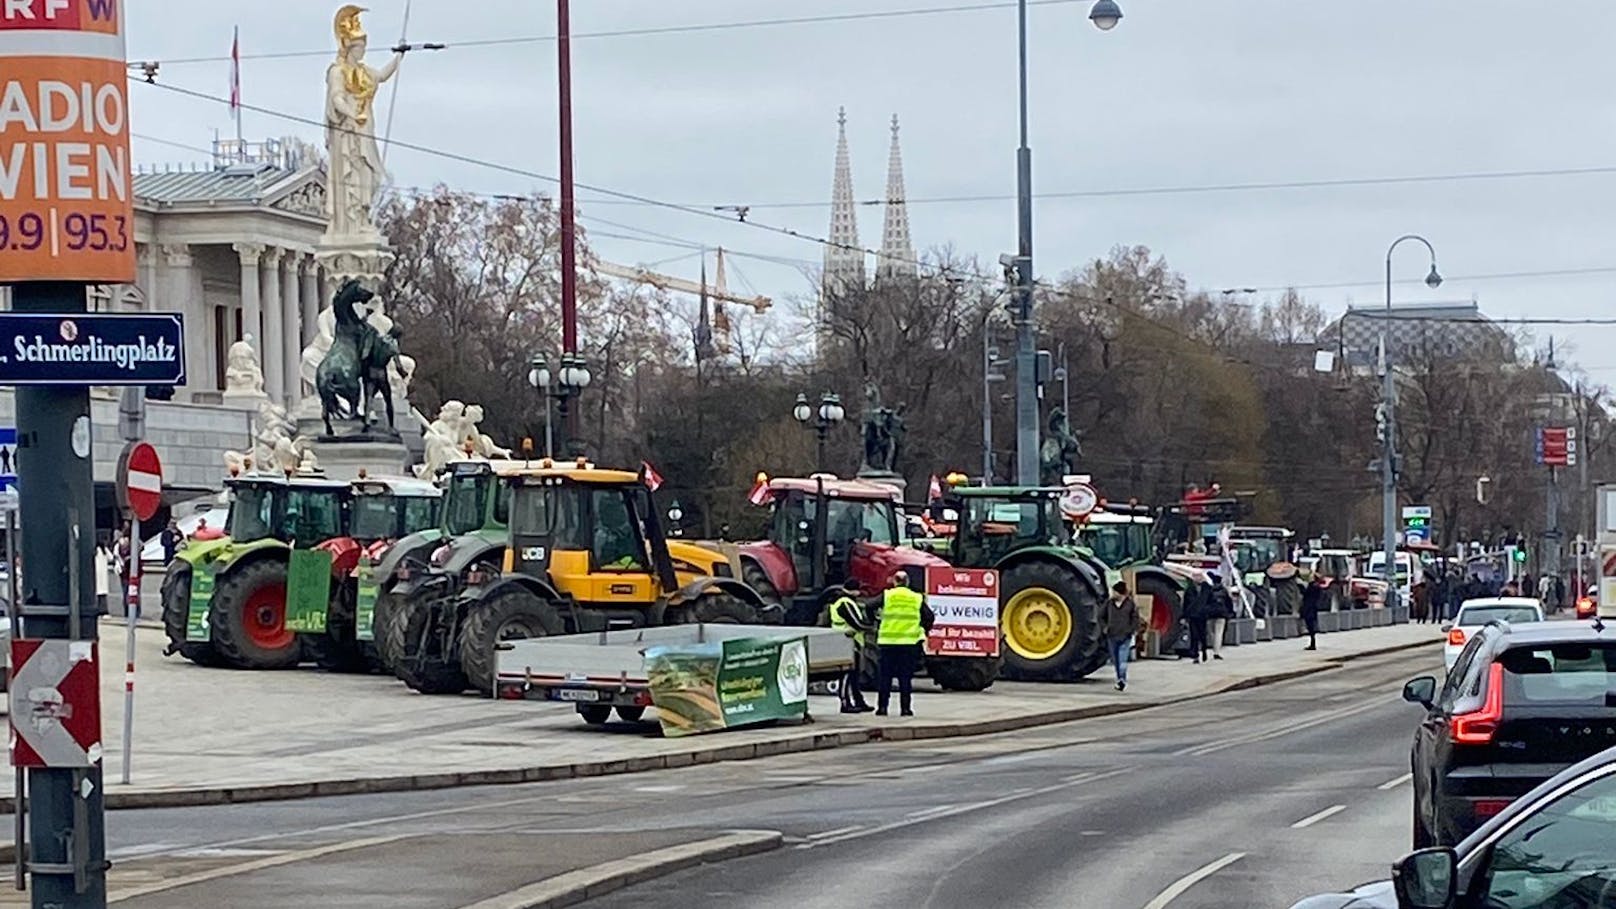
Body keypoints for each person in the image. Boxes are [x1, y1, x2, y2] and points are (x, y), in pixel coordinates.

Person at [874, 571, 932, 717]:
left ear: (894, 582)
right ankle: (905, 709)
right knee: (905, 678)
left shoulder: (887, 595)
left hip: (887, 643)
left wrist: (876, 622)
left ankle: (882, 708)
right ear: (907, 582)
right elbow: (930, 617)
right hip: (909, 644)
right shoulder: (916, 598)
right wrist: (922, 628)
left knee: (885, 677)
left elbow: (869, 606)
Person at [827, 578, 875, 714]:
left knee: (854, 674)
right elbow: (856, 623)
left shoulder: (848, 602)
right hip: (846, 642)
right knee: (847, 674)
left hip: (853, 642)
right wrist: (871, 628)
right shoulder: (844, 603)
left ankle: (859, 701)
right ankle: (845, 702)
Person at [1105, 582, 1145, 690]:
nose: (1112, 593)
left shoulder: (1130, 604)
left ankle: (1122, 679)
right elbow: (1101, 615)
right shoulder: (1109, 603)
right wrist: (1105, 628)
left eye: (1114, 591)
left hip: (1125, 636)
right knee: (1115, 660)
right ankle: (1119, 678)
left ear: (1120, 592)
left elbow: (1135, 619)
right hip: (1112, 635)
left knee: (1122, 660)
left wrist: (1131, 631)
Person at [1183, 576, 1211, 664]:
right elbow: (1185, 603)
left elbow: (1211, 601)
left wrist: (1207, 610)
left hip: (1202, 616)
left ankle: (1204, 650)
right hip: (1193, 615)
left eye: (1199, 577)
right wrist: (1184, 616)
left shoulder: (1207, 589)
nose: (1197, 579)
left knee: (1202, 635)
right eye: (1196, 577)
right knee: (1194, 636)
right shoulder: (1189, 590)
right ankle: (1195, 655)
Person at [1205, 572, 1232, 661]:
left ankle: (1213, 647)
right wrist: (1230, 612)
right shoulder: (1224, 590)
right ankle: (1217, 652)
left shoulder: (1208, 590)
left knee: (1211, 632)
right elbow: (1229, 603)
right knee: (1219, 633)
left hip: (1210, 614)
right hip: (1221, 614)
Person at [1300, 572, 1326, 651]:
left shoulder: (1312, 586)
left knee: (1310, 625)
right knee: (1311, 625)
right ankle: (1312, 642)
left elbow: (1306, 594)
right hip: (1313, 608)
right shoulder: (1317, 587)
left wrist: (1301, 587)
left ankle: (1312, 643)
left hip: (1309, 607)